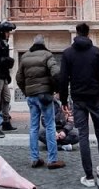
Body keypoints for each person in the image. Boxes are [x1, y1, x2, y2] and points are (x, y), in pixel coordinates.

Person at [58, 23, 99, 188]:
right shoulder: (96, 51)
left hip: (78, 100)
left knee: (83, 136)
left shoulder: (68, 53)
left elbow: (63, 79)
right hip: (95, 99)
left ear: (76, 33)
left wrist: (63, 100)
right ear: (88, 34)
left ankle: (89, 176)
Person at [16, 34, 65, 170]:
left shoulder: (25, 56)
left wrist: (27, 92)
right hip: (44, 96)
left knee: (33, 127)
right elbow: (56, 73)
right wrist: (55, 90)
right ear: (43, 44)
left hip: (31, 97)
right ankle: (52, 160)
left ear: (33, 43)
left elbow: (19, 78)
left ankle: (34, 159)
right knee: (50, 126)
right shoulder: (47, 55)